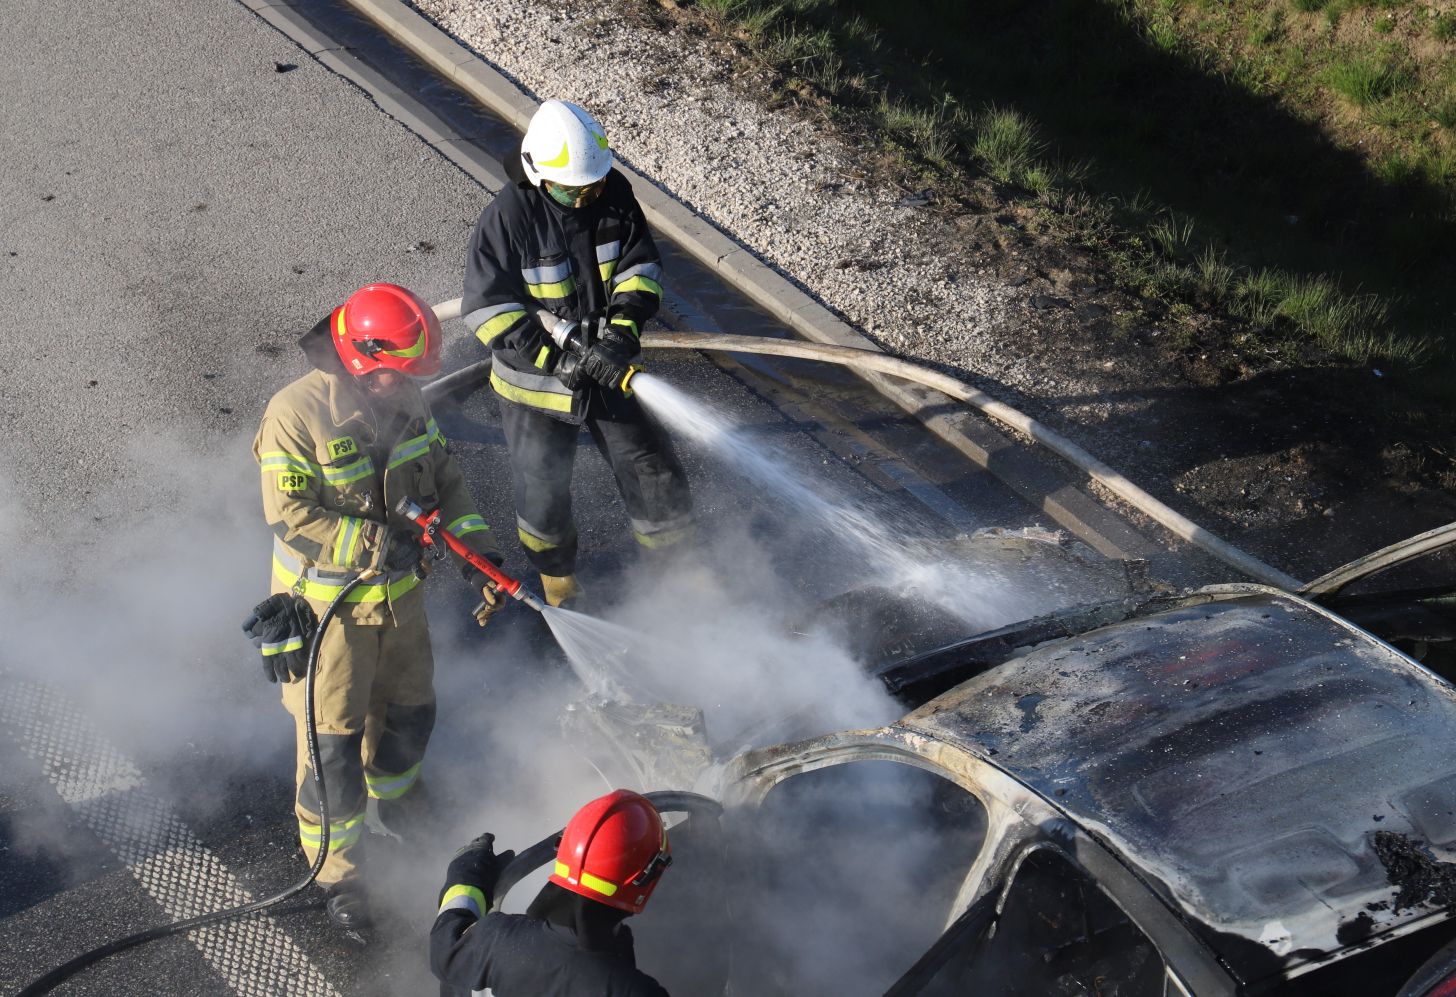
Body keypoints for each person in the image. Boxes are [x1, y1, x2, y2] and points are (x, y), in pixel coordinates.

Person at [246, 282, 507, 934]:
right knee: (331, 748)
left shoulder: (407, 397)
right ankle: (339, 874)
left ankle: (399, 800)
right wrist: (373, 542)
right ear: (363, 359)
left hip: (401, 607)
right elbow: (291, 517)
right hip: (331, 616)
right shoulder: (295, 414)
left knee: (412, 714)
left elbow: (444, 479)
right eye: (401, 373)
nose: (413, 385)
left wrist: (482, 554)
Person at [461, 99, 693, 609]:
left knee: (650, 466)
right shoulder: (507, 217)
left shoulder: (612, 192)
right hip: (535, 384)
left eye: (593, 185)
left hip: (607, 368)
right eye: (575, 188)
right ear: (539, 177)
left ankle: (677, 573)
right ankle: (557, 577)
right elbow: (487, 308)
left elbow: (639, 268)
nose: (587, 196)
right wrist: (553, 361)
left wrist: (620, 336)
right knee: (542, 485)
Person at [431, 789, 673, 996]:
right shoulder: (634, 991)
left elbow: (444, 949)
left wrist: (466, 877)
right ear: (644, 879)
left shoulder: (496, 939)